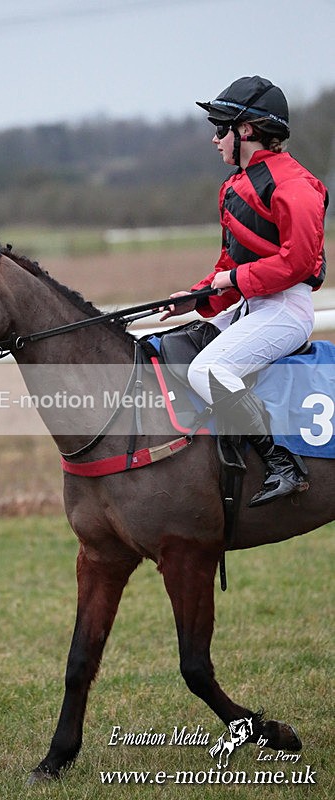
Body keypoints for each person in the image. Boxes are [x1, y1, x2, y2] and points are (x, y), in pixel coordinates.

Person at [161, 75, 329, 507]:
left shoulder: (295, 185)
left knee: (206, 371)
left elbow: (299, 263)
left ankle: (282, 465)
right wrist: (197, 296)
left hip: (285, 311)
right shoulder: (236, 185)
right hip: (250, 309)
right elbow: (228, 267)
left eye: (221, 129)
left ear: (248, 131)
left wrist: (234, 282)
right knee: (168, 348)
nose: (215, 140)